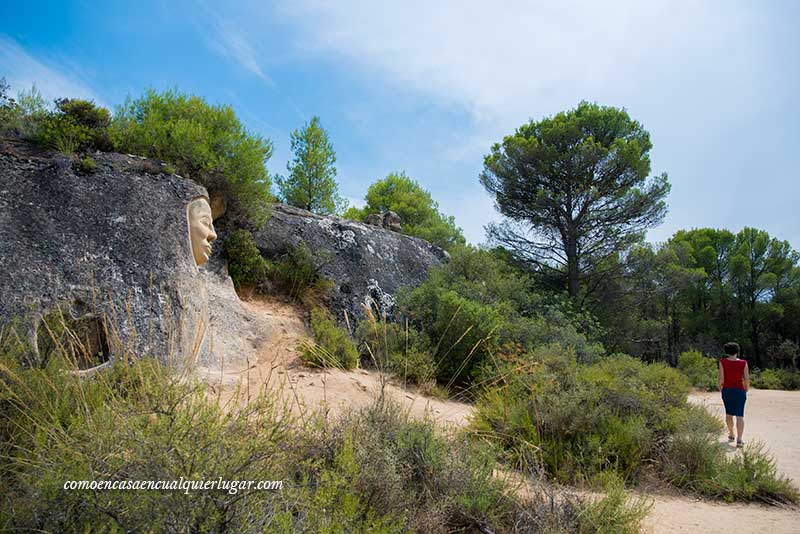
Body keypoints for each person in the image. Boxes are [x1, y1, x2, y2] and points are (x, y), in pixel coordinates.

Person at [718, 342, 749, 448]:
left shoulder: (722, 362)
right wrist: (747, 389)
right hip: (739, 391)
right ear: (737, 351)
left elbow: (721, 378)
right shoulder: (743, 363)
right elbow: (746, 378)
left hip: (727, 390)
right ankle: (739, 440)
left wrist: (720, 387)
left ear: (726, 351)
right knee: (740, 415)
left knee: (729, 414)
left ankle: (731, 434)